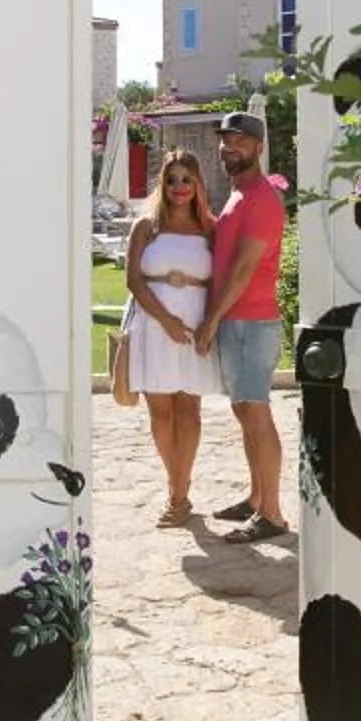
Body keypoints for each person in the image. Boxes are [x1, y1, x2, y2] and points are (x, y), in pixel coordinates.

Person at [196, 110, 289, 543]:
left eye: (239, 141)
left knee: (256, 412)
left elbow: (245, 269)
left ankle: (272, 513)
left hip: (252, 322)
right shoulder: (238, 197)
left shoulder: (264, 199)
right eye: (225, 140)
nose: (229, 147)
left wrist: (211, 319)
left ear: (258, 147)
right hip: (237, 321)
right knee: (244, 411)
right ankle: (256, 499)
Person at [124, 147, 221, 526]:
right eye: (172, 179)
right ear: (162, 184)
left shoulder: (210, 228)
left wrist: (210, 324)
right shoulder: (147, 226)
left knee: (190, 413)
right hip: (154, 327)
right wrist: (165, 320)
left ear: (198, 183)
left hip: (196, 329)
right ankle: (175, 490)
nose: (179, 187)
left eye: (187, 179)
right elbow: (132, 279)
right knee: (162, 415)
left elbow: (221, 281)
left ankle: (180, 495)